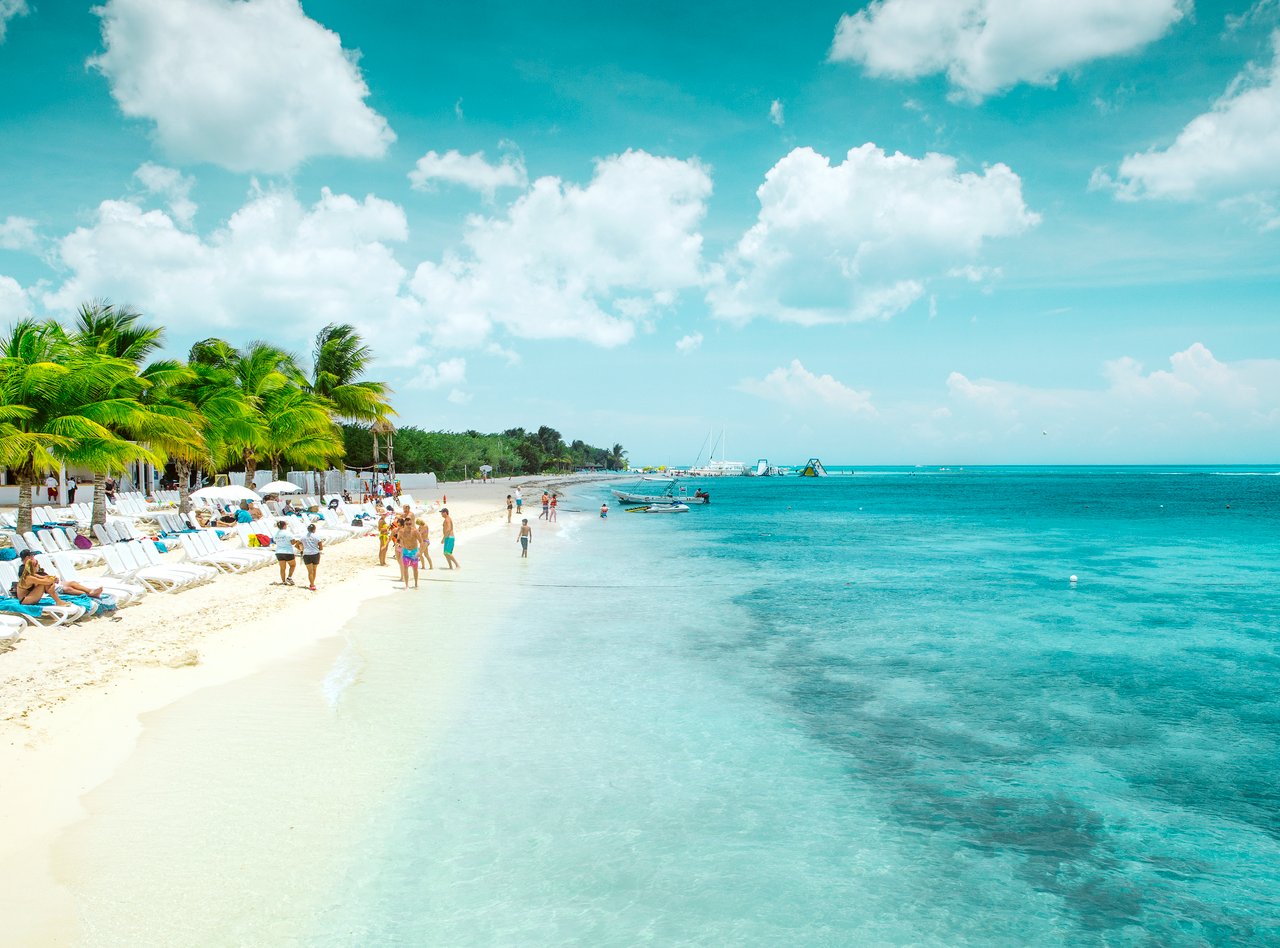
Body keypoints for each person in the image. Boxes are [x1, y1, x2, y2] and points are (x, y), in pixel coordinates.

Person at [15, 549, 102, 605]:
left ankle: (91, 591)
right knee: (50, 585)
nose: (37, 566)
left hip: (32, 594)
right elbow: (42, 581)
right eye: (36, 565)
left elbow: (39, 577)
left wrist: (51, 578)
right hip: (26, 600)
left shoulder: (31, 573)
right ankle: (59, 601)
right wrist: (51, 580)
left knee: (71, 583)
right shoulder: (27, 575)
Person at [294, 523, 324, 591]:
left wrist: (301, 549)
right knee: (314, 570)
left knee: (310, 571)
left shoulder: (303, 537)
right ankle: (312, 584)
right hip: (315, 554)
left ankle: (312, 585)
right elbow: (321, 547)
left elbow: (296, 545)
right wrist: (316, 549)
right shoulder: (317, 537)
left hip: (307, 554)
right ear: (314, 529)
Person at [396, 515, 420, 588]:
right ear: (404, 524)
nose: (409, 526)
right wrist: (399, 546)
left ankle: (416, 584)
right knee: (405, 568)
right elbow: (398, 540)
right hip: (406, 552)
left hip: (414, 552)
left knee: (415, 569)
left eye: (410, 524)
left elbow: (421, 542)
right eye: (407, 524)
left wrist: (419, 552)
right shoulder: (401, 531)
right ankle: (406, 585)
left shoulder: (415, 531)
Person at [272, 520, 297, 585]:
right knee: (293, 565)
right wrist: (297, 541)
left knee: (282, 568)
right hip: (288, 551)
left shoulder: (275, 534)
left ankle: (283, 581)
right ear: (284, 526)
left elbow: (275, 541)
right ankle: (289, 577)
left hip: (279, 552)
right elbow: (292, 542)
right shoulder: (288, 533)